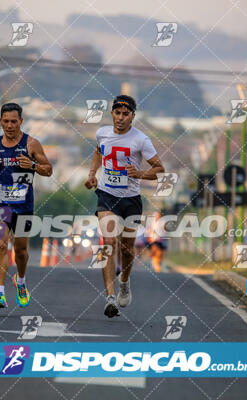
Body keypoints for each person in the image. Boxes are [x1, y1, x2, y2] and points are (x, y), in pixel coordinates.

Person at [85, 95, 165, 318]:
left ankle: (125, 281)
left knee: (127, 249)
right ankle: (109, 297)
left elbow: (159, 169)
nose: (120, 118)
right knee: (109, 242)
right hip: (106, 194)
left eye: (125, 114)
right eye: (117, 113)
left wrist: (139, 173)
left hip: (131, 199)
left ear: (133, 116)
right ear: (112, 113)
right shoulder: (102, 133)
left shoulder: (141, 140)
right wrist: (92, 175)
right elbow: (98, 152)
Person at [0, 103, 52, 308]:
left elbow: (49, 170)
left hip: (24, 205)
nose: (10, 125)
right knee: (0, 245)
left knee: (20, 251)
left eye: (14, 121)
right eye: (6, 121)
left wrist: (34, 166)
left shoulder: (32, 144)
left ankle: (21, 282)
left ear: (21, 121)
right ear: (0, 122)